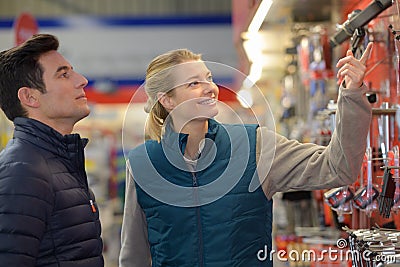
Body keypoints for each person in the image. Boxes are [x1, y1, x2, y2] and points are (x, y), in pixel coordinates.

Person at [119, 43, 373, 267]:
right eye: (194, 83)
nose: (210, 88)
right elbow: (134, 256)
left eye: (208, 78)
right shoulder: (143, 163)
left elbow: (338, 167)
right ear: (168, 100)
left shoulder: (255, 146)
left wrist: (351, 94)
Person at [0, 34, 104, 266]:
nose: (82, 80)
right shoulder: (23, 172)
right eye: (64, 74)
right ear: (30, 97)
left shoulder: (56, 162)